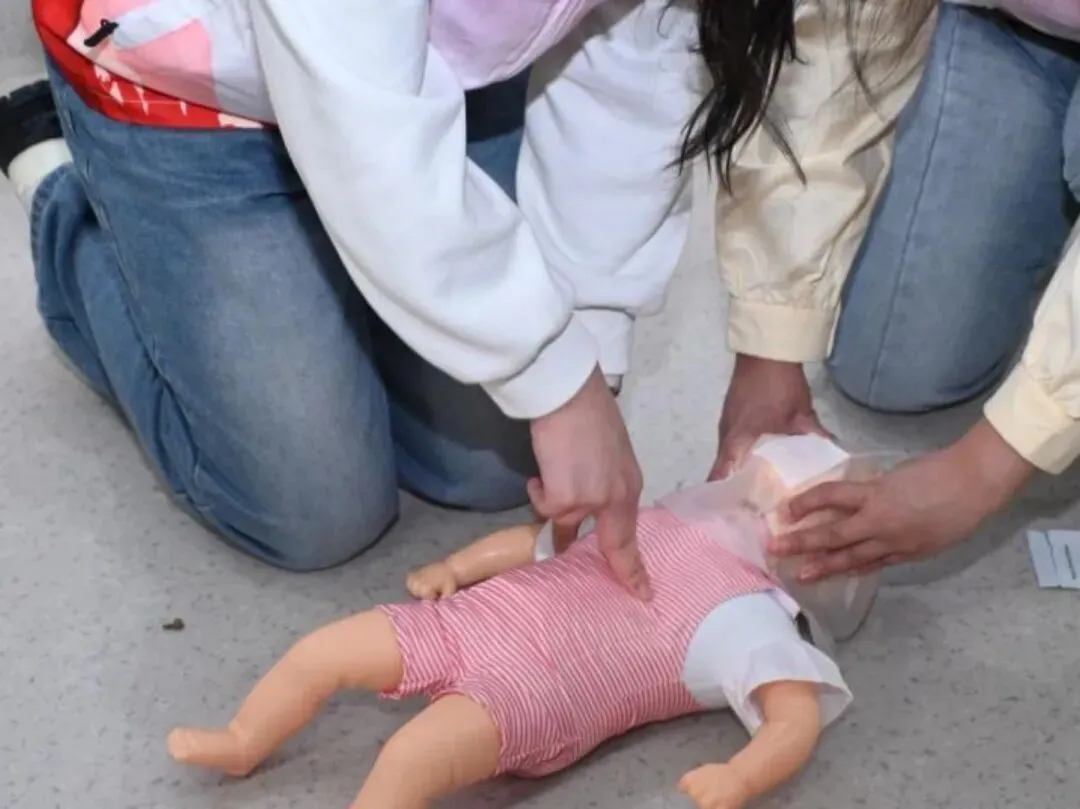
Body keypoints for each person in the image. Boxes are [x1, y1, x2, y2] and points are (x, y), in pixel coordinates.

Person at [0, 0, 718, 593]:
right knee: (314, 513)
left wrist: (587, 329)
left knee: (498, 465)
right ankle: (64, 202)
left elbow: (639, 65)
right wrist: (553, 378)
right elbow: (372, 150)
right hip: (186, 92)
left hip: (440, 65)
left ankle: (343, 293)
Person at [710, 1, 1080, 580]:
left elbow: (991, 462)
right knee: (892, 366)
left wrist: (985, 467)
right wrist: (771, 342)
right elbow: (831, 38)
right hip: (1014, 27)